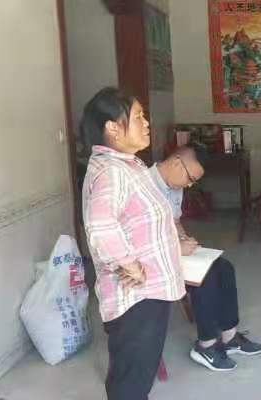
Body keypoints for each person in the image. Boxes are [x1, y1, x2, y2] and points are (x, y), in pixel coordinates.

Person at [81, 87, 184, 400]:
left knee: (135, 376)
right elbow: (99, 224)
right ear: (113, 128)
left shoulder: (130, 165)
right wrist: (129, 264)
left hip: (149, 292)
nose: (147, 123)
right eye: (138, 117)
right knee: (131, 383)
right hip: (137, 297)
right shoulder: (113, 171)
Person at [148, 145, 261, 372]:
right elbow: (137, 236)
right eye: (190, 178)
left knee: (224, 267)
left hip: (172, 249)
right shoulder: (143, 185)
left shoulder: (175, 184)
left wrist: (183, 238)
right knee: (205, 275)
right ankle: (206, 345)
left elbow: (174, 221)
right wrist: (175, 247)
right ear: (176, 162)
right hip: (152, 258)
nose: (189, 185)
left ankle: (229, 336)